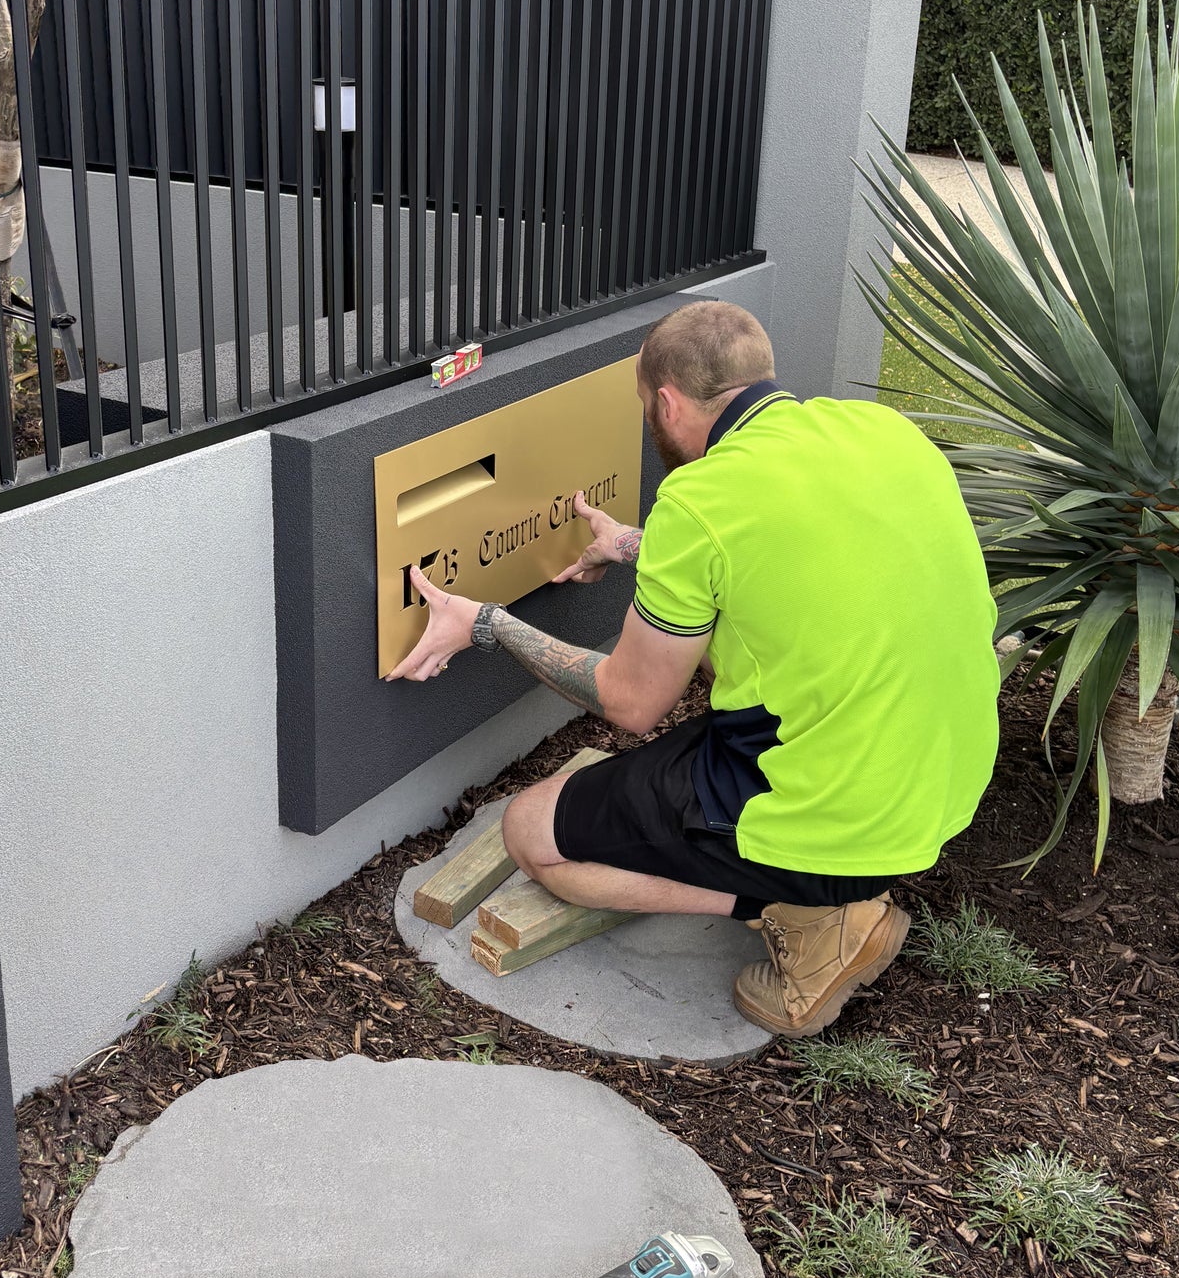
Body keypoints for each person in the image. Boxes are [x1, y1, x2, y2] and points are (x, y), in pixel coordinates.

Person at [387, 299, 999, 1039]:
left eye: (648, 409)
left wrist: (484, 622)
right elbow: (789, 562)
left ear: (668, 401)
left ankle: (803, 918)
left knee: (530, 831)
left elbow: (630, 701)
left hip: (838, 817)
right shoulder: (881, 432)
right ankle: (820, 891)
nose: (652, 426)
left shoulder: (700, 498)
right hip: (946, 782)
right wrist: (641, 549)